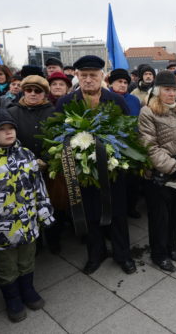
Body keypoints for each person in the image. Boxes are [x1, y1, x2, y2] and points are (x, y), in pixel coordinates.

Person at [0, 108, 54, 322]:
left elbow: (39, 187)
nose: (8, 133)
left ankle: (28, 290)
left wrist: (44, 212)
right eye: (1, 129)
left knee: (27, 260)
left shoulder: (26, 155)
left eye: (11, 128)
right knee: (6, 267)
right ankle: (12, 298)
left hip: (27, 224)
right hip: (1, 231)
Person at [56, 55, 136, 275]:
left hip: (112, 170)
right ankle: (96, 253)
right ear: (77, 77)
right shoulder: (66, 102)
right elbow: (56, 134)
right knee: (90, 214)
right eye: (84, 75)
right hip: (83, 172)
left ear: (102, 76)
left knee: (118, 213)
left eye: (93, 75)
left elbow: (128, 134)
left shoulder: (116, 100)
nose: (88, 79)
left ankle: (123, 255)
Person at [138, 71, 176, 272]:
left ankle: (171, 247)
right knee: (160, 219)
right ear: (157, 90)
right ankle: (159, 254)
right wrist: (174, 167)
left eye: (174, 89)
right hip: (159, 176)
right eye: (167, 89)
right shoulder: (148, 112)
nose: (171, 93)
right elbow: (149, 147)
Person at [108, 68, 142, 219]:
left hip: (132, 144)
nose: (122, 85)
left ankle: (131, 207)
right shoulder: (106, 98)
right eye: (119, 82)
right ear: (111, 83)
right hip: (113, 146)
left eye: (125, 82)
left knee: (132, 181)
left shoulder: (134, 100)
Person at [8, 75, 55, 159]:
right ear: (24, 92)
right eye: (29, 90)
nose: (33, 94)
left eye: (38, 91)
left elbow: (57, 140)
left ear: (44, 93)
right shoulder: (11, 112)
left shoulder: (53, 112)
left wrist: (46, 160)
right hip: (19, 163)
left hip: (47, 165)